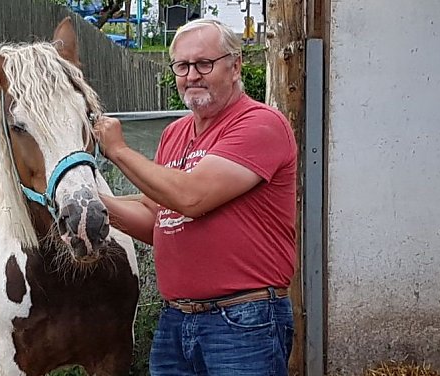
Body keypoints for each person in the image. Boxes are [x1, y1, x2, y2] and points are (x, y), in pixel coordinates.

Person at [92, 18, 298, 376]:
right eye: (182, 66)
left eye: (204, 63)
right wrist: (84, 201)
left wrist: (119, 150)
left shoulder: (260, 124)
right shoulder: (175, 133)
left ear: (235, 67)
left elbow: (191, 197)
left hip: (241, 320)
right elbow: (156, 219)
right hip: (177, 319)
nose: (192, 76)